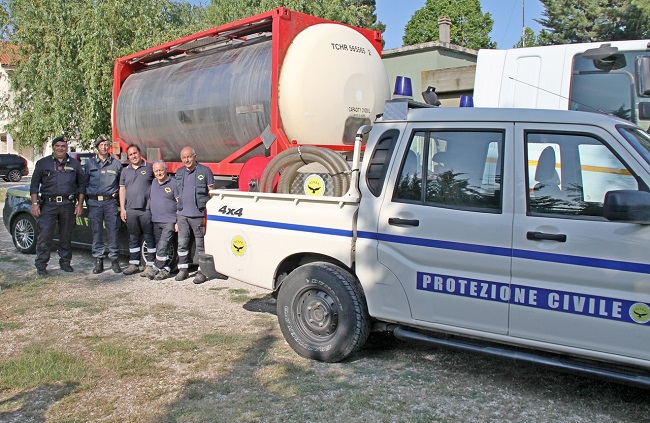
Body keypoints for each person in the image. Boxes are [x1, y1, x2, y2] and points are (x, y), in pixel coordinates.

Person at [30, 135, 86, 276]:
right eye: (58, 145)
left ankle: (65, 262)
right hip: (48, 205)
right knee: (45, 235)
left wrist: (79, 204)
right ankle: (41, 265)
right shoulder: (43, 163)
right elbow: (34, 185)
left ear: (67, 148)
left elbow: (82, 186)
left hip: (68, 204)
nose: (60, 148)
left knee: (66, 235)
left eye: (63, 146)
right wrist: (35, 204)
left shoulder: (75, 164)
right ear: (53, 147)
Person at [175, 146, 214, 284]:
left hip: (198, 214)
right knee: (182, 243)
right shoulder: (179, 172)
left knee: (200, 244)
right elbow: (176, 191)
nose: (187, 160)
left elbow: (211, 192)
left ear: (195, 156)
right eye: (184, 157)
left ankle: (201, 272)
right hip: (182, 215)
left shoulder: (205, 171)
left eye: (189, 156)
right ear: (181, 159)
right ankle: (183, 270)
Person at [85, 135, 122, 274]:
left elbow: (121, 184)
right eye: (102, 145)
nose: (105, 147)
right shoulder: (90, 164)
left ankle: (114, 259)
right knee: (97, 231)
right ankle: (98, 259)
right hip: (94, 202)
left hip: (110, 202)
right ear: (97, 147)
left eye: (107, 145)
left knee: (113, 230)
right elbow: (84, 183)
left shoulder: (116, 164)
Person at [119, 144, 156, 276]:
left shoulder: (150, 168)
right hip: (130, 210)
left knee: (149, 236)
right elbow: (122, 189)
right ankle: (134, 263)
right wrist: (123, 208)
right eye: (131, 155)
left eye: (135, 153)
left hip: (146, 209)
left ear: (140, 153)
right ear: (128, 157)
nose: (133, 156)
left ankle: (150, 265)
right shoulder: (125, 171)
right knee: (133, 237)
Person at [148, 161, 178, 280]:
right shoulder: (154, 183)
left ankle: (156, 266)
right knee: (161, 245)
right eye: (156, 171)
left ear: (166, 170)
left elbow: (179, 203)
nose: (159, 173)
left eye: (161, 170)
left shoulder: (173, 183)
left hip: (169, 221)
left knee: (163, 244)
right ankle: (165, 269)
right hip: (156, 220)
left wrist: (178, 221)